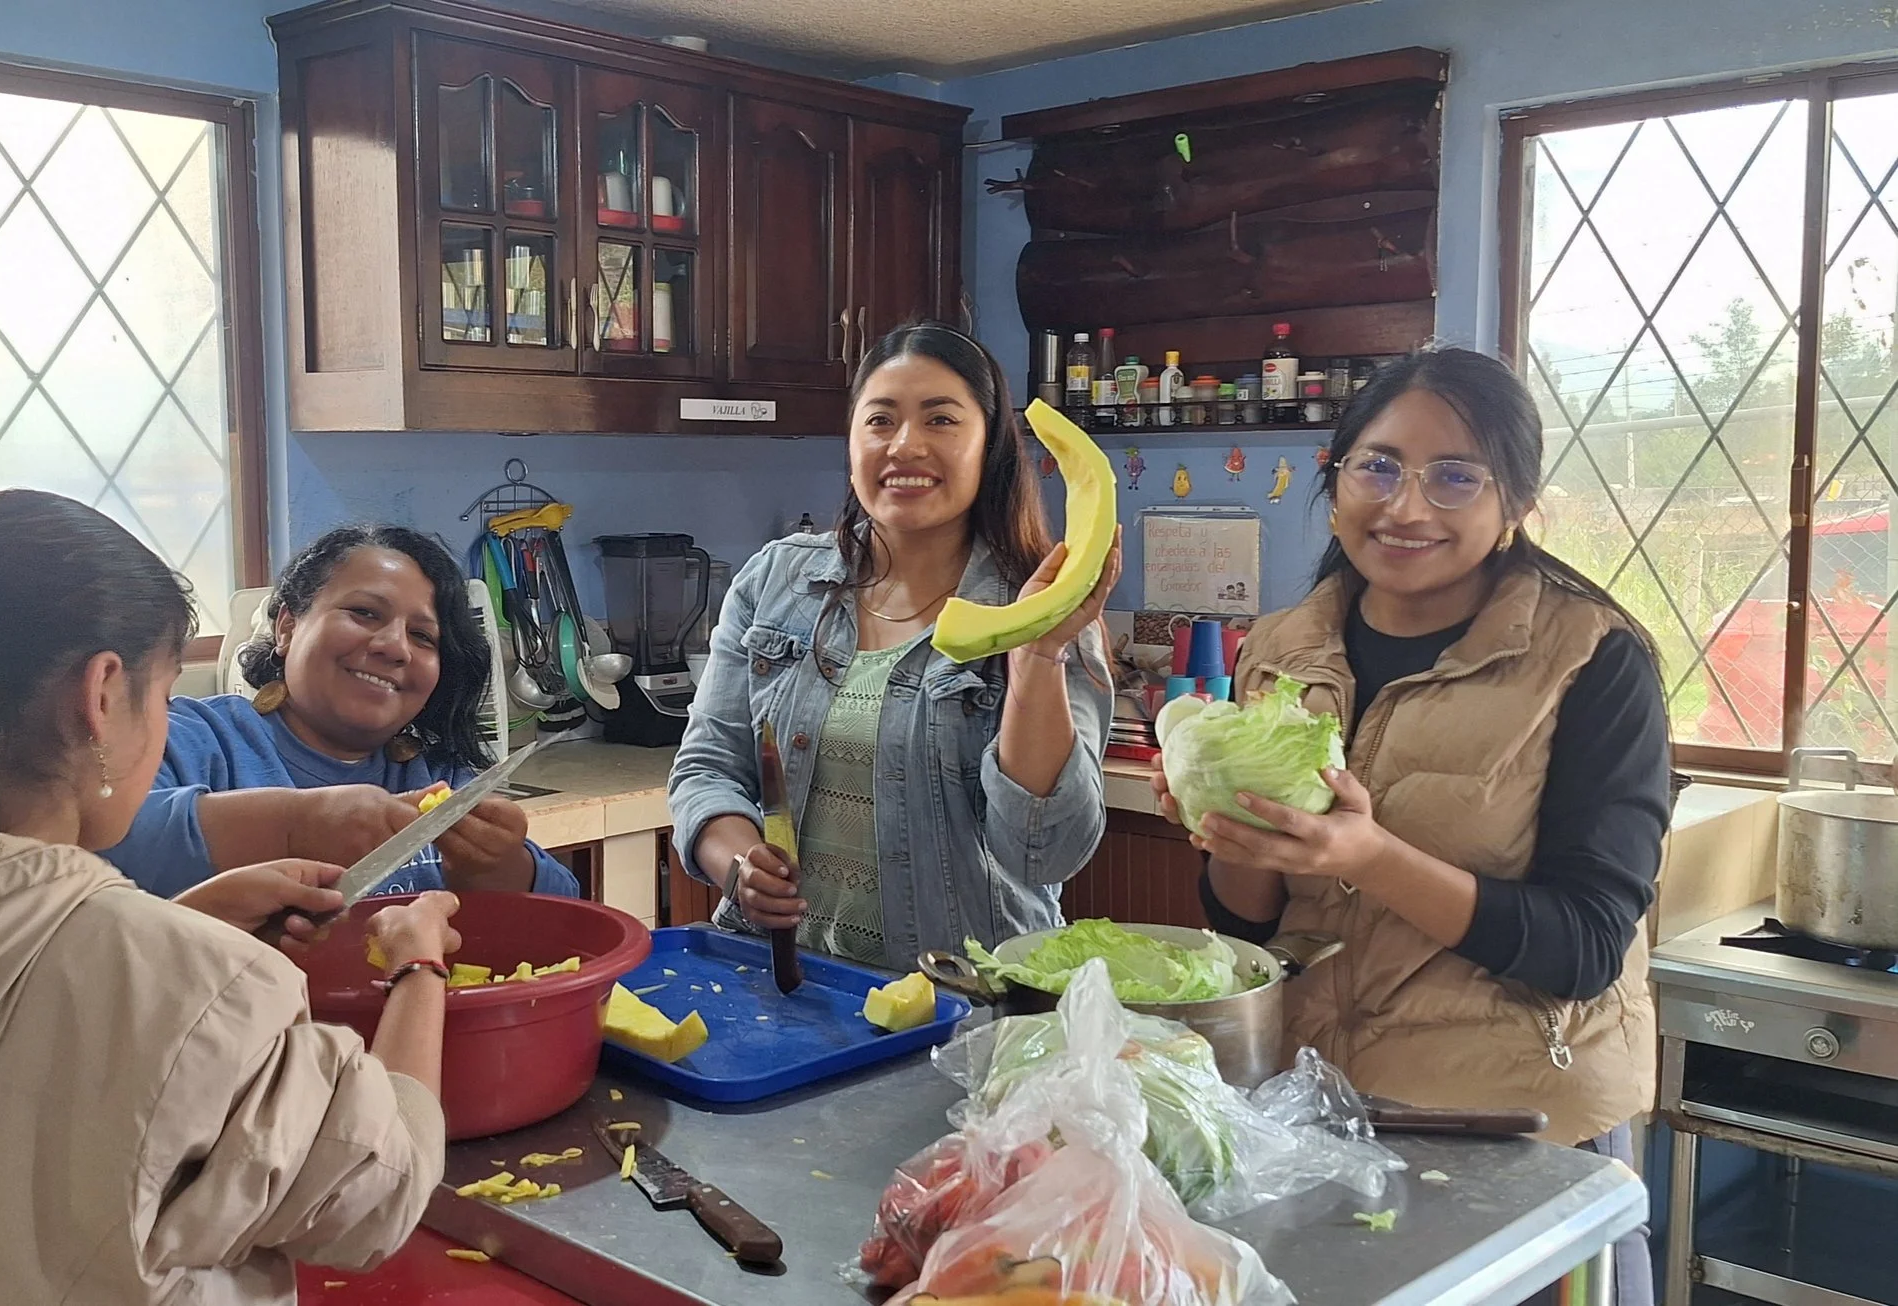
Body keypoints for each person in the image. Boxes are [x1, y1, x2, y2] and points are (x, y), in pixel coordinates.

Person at [0, 490, 458, 1303]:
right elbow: (377, 1189)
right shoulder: (187, 979)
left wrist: (180, 925)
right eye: (162, 693)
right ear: (102, 694)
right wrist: (418, 964)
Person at [1154, 348, 1666, 1306]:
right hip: (1315, 1114)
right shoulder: (1283, 645)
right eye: (1377, 466)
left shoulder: (1592, 659)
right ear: (1335, 478)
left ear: (1513, 500)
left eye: (1455, 476)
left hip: (1515, 1134)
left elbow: (1589, 943)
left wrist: (1373, 857)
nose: (1407, 506)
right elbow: (1249, 931)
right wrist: (1240, 840)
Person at [670, 321, 1120, 965]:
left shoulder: (1039, 608)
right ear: (852, 438)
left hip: (965, 1000)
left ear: (989, 444)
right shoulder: (776, 581)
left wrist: (1037, 659)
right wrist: (739, 862)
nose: (905, 445)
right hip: (786, 980)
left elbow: (1043, 852)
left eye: (941, 421)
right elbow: (708, 769)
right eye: (881, 420)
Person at [104, 523, 580, 900]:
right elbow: (97, 842)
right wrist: (297, 827)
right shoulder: (192, 739)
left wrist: (501, 866)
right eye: (365, 613)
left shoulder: (436, 777)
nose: (395, 647)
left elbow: (567, 912)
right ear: (287, 626)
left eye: (423, 636)